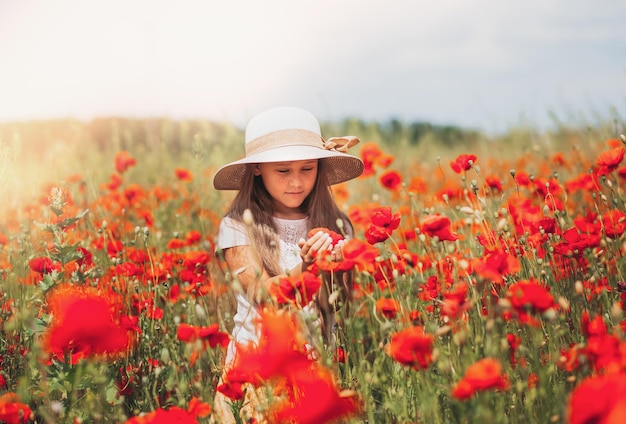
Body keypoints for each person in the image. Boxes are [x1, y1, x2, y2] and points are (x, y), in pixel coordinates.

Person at [211, 106, 364, 423]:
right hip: (255, 372)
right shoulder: (238, 226)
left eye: (307, 169)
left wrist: (335, 269)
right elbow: (262, 295)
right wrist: (307, 268)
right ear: (256, 169)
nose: (296, 182)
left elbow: (336, 305)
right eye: (283, 171)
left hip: (315, 367)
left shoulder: (336, 223)